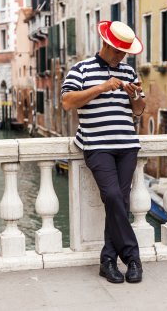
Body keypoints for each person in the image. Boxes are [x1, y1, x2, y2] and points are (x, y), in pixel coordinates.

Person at [61, 20, 146, 284]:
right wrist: (102, 87)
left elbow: (138, 111)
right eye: (120, 51)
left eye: (125, 52)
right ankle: (133, 257)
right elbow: (66, 102)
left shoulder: (129, 72)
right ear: (107, 44)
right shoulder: (81, 69)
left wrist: (136, 95)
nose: (123, 56)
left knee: (119, 200)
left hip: (127, 145)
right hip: (96, 145)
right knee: (112, 195)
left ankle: (108, 260)